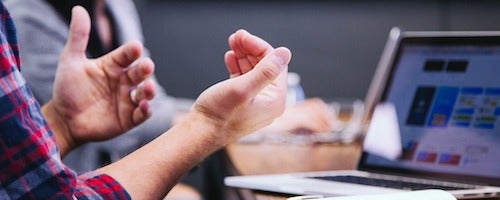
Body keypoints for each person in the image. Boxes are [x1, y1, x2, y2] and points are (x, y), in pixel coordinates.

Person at [6, 0, 332, 199]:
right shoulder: (23, 16)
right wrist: (214, 123)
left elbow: (149, 106)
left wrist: (62, 124)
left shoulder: (117, 6)